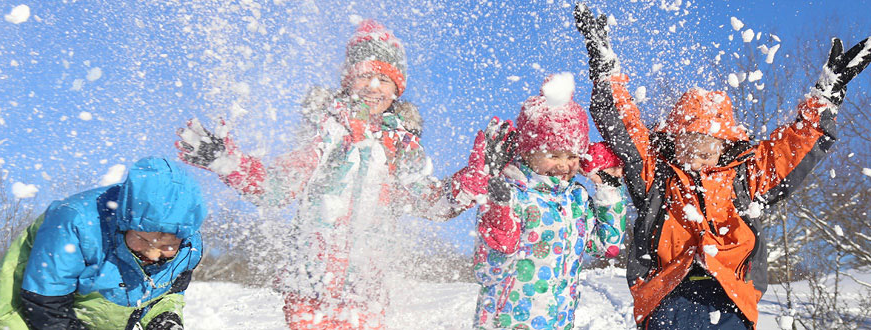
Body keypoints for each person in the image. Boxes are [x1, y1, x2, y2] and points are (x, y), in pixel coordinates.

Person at [573, 3, 871, 329]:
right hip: (667, 295)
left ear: (725, 147)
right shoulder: (656, 175)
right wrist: (605, 68)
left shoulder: (742, 180)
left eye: (708, 151)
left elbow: (790, 152)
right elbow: (623, 123)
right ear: (674, 142)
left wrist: (825, 97)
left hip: (730, 296)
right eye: (690, 148)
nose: (698, 159)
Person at [175, 19, 481, 329]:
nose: (374, 86)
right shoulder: (327, 132)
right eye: (364, 75)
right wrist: (226, 161)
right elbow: (276, 188)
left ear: (397, 88)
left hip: (367, 292)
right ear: (349, 80)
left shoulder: (402, 148)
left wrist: (473, 181)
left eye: (384, 79)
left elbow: (432, 202)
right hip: (311, 286)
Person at [0, 157, 207, 330]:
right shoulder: (76, 222)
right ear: (124, 221)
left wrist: (164, 319)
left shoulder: (189, 247)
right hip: (10, 319)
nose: (154, 255)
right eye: (143, 240)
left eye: (167, 246)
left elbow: (166, 292)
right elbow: (45, 308)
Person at [470, 75, 628, 329]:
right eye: (553, 155)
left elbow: (606, 245)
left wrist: (607, 187)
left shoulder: (576, 199)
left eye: (572, 156)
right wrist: (498, 216)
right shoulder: (509, 194)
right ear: (528, 152)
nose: (564, 165)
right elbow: (487, 271)